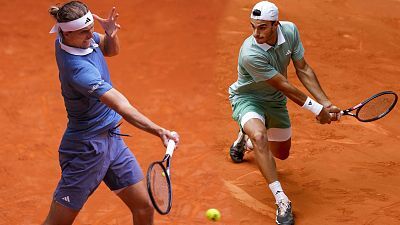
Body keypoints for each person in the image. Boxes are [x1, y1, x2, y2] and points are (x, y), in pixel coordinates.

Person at [43, 1, 179, 225]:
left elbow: (109, 49)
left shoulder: (76, 39)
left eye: (91, 29)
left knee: (144, 207)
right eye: (84, 33)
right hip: (86, 150)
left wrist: (110, 34)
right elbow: (121, 106)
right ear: (66, 34)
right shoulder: (78, 71)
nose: (91, 36)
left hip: (113, 142)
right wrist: (159, 130)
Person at [228, 1, 340, 224]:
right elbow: (284, 86)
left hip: (275, 102)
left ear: (275, 24)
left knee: (281, 153)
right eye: (253, 26)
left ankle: (245, 137)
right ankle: (281, 200)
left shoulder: (290, 31)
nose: (256, 33)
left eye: (262, 27)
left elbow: (303, 68)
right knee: (260, 136)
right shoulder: (250, 53)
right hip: (248, 98)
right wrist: (317, 110)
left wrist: (325, 103)